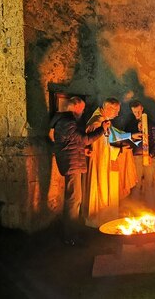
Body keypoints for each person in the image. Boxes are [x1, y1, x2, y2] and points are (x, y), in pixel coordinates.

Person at [50, 97, 106, 245]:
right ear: (75, 108)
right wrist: (102, 129)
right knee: (74, 200)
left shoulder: (63, 121)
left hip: (72, 162)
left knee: (74, 200)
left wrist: (83, 152)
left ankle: (71, 233)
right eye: (82, 108)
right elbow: (84, 140)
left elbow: (71, 143)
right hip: (72, 165)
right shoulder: (68, 122)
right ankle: (71, 237)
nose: (83, 111)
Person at [83, 98, 141, 227]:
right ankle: (97, 220)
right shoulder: (97, 122)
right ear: (109, 108)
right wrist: (120, 149)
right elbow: (101, 147)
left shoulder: (104, 120)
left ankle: (106, 219)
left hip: (106, 162)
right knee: (100, 189)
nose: (118, 114)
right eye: (116, 111)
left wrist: (131, 135)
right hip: (100, 164)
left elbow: (113, 134)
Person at [124, 100, 155, 207]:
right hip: (135, 158)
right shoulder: (130, 125)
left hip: (149, 158)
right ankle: (135, 209)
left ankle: (150, 208)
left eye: (138, 111)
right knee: (135, 184)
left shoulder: (152, 125)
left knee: (149, 184)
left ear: (142, 109)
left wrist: (151, 155)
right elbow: (126, 139)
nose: (137, 114)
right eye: (134, 112)